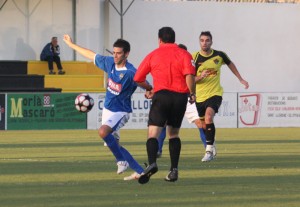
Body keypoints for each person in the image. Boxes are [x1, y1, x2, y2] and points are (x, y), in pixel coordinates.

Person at [63, 34, 144, 181]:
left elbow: (143, 82)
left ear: (126, 54)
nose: (115, 55)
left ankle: (121, 161)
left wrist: (150, 90)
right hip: (108, 110)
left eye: (118, 53)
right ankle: (139, 170)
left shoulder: (131, 72)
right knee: (113, 143)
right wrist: (71, 45)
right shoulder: (109, 63)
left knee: (103, 132)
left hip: (121, 111)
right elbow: (90, 54)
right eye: (114, 52)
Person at [134, 27, 196, 184]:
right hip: (180, 97)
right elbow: (189, 75)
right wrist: (192, 93)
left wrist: (149, 89)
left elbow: (138, 78)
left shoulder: (153, 54)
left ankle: (152, 163)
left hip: (161, 96)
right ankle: (174, 169)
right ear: (174, 39)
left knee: (153, 133)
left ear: (159, 39)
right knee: (173, 134)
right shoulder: (184, 54)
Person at [193, 31, 249, 162]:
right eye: (202, 40)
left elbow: (230, 64)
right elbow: (189, 79)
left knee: (208, 117)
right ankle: (211, 144)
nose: (204, 42)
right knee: (203, 125)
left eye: (207, 40)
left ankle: (208, 150)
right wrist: (200, 77)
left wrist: (240, 79)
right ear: (199, 42)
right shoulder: (194, 57)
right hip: (199, 96)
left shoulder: (219, 55)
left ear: (211, 42)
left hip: (215, 94)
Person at [157, 43, 211, 158]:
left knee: (200, 123)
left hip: (187, 97)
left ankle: (209, 149)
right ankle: (158, 150)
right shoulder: (170, 64)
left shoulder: (190, 63)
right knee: (164, 123)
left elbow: (190, 79)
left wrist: (199, 78)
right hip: (173, 97)